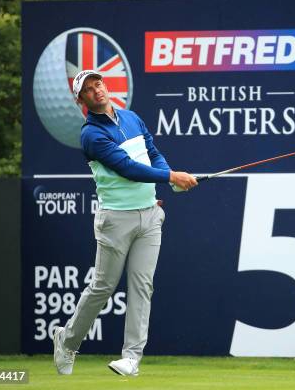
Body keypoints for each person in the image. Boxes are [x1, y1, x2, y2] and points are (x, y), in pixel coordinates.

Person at [53, 69, 197, 376]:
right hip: (115, 220)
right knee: (102, 288)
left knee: (142, 286)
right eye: (89, 90)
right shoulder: (91, 135)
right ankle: (67, 341)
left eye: (99, 84)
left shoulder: (133, 118)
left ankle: (131, 358)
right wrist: (173, 177)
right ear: (81, 100)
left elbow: (153, 154)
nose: (97, 91)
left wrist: (169, 180)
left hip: (150, 215)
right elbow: (127, 168)